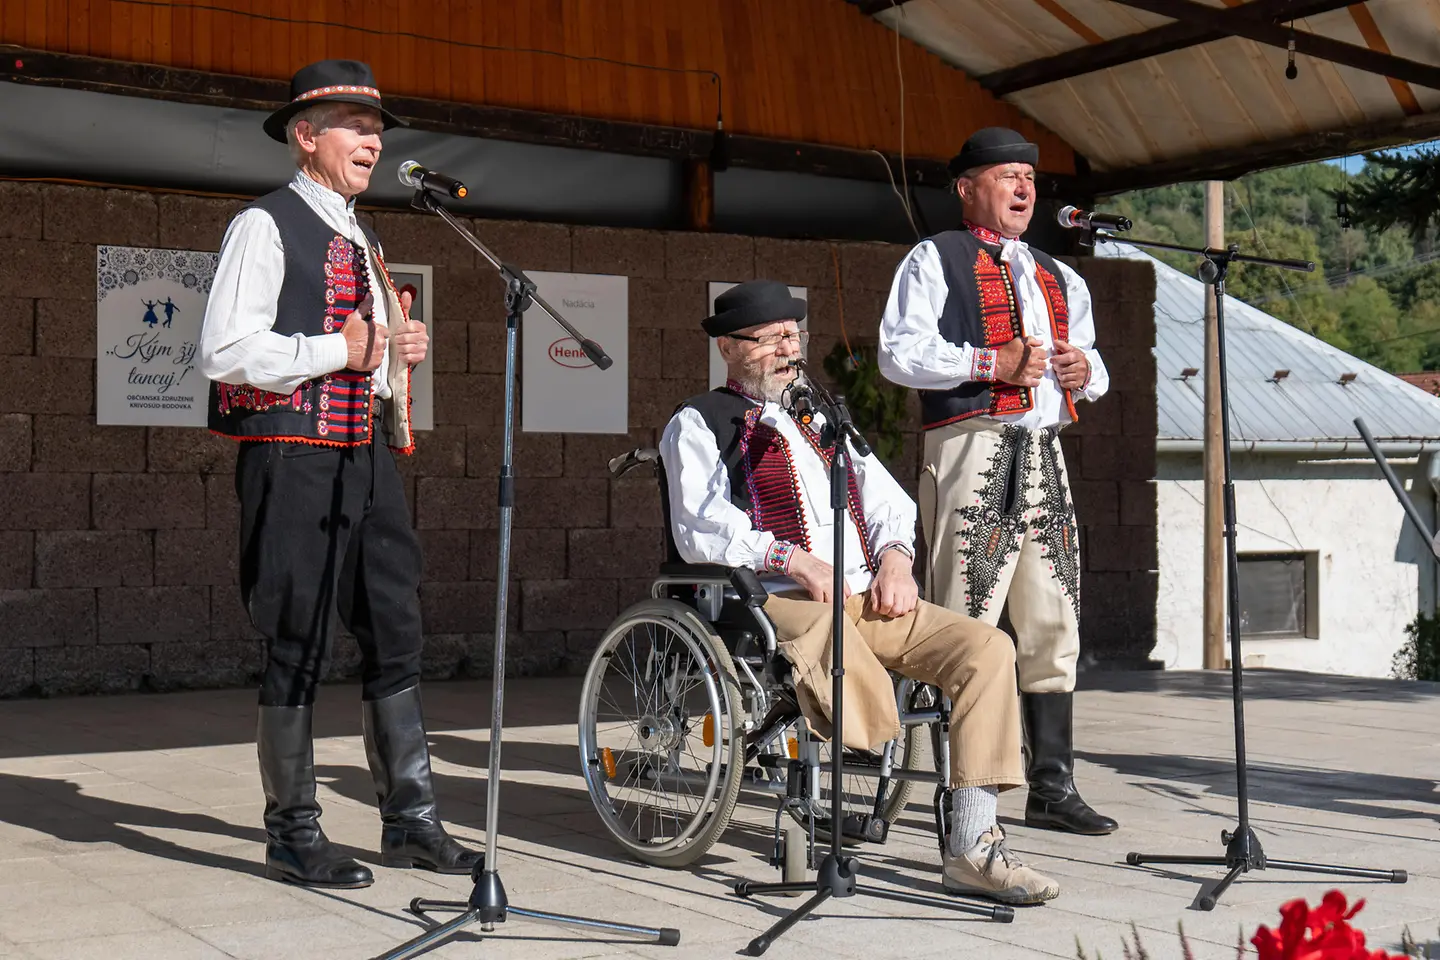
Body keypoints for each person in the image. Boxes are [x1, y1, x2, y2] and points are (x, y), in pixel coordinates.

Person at [657, 279, 1060, 904]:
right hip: (768, 596)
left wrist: (898, 560)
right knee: (829, 630)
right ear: (732, 349)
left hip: (863, 591)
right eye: (771, 341)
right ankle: (868, 745)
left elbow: (886, 500)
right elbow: (700, 529)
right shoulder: (700, 422)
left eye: (794, 337)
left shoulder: (822, 417)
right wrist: (790, 557)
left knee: (987, 647)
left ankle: (974, 845)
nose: (789, 352)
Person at [200, 59, 480, 889]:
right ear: (306, 136)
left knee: (396, 627)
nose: (374, 139)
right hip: (291, 459)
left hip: (364, 457)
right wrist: (343, 348)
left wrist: (397, 357)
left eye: (377, 125)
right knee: (298, 637)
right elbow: (222, 350)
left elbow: (367, 355)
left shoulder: (365, 235)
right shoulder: (265, 222)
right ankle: (292, 832)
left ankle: (412, 819)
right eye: (354, 124)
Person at [876, 126, 1117, 836]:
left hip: (1044, 448)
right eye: (1008, 175)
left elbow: (1095, 364)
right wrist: (990, 362)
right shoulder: (933, 258)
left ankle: (1052, 784)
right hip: (971, 444)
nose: (1022, 189)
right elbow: (899, 354)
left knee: (1055, 614)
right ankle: (964, 790)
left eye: (1029, 178)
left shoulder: (1058, 273)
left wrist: (1083, 374)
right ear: (966, 187)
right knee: (965, 616)